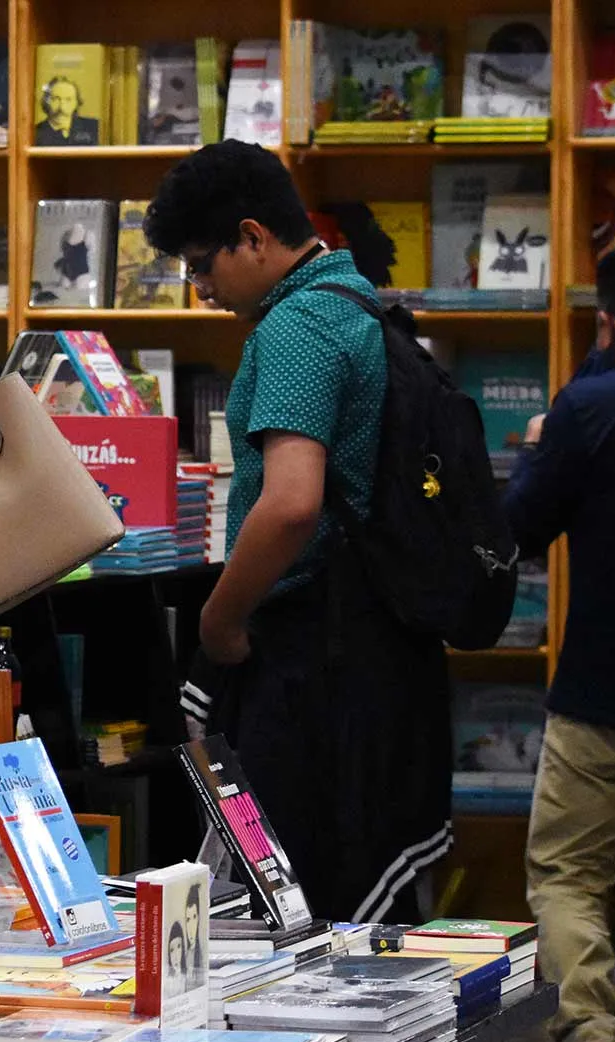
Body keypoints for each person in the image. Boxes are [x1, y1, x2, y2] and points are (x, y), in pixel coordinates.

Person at [144, 140, 450, 923]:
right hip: (378, 653)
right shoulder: (359, 304)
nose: (201, 288)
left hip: (316, 663)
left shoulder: (298, 329)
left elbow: (290, 504)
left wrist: (220, 616)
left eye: (203, 264)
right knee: (365, 915)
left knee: (298, 902)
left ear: (254, 237)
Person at [510, 246, 615, 1042]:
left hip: (602, 685)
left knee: (567, 874)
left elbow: (518, 528)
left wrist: (542, 441)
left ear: (609, 320)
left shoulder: (588, 407)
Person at [35, 75, 99, 146]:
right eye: (56, 99)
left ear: (76, 103)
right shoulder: (35, 133)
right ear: (46, 102)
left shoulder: (94, 127)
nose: (62, 106)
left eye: (68, 99)